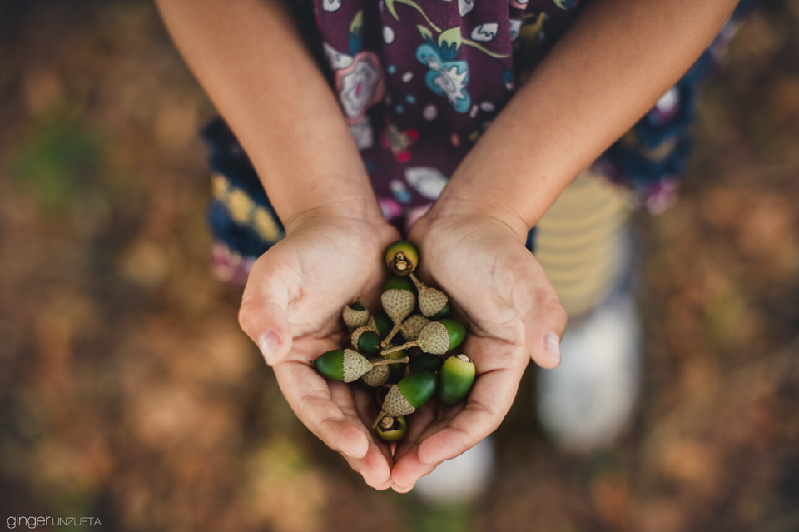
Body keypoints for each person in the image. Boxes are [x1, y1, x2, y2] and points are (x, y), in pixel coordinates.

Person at [156, 0, 749, 492]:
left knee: (571, 249)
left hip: (571, 105)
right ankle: (474, 391)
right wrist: (320, 204)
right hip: (319, 118)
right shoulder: (387, 318)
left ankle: (585, 316)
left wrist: (497, 208)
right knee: (517, 279)